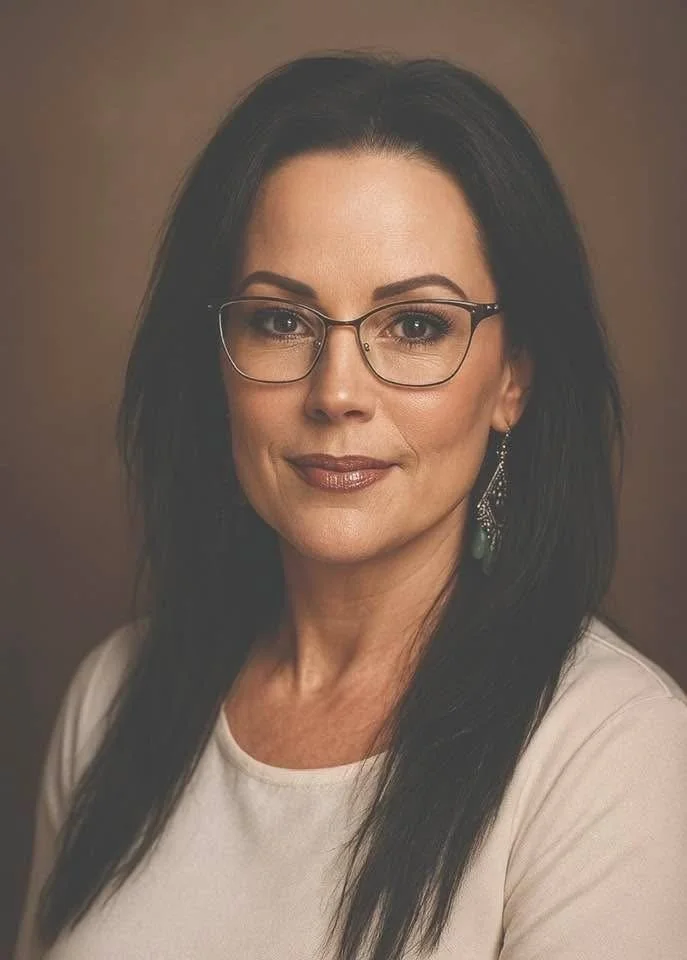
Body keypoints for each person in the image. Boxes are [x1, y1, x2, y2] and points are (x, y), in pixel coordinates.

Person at [14, 51, 687, 960]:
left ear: (511, 383)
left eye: (414, 326)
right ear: (218, 360)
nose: (336, 393)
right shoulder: (112, 697)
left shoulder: (615, 750)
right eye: (280, 320)